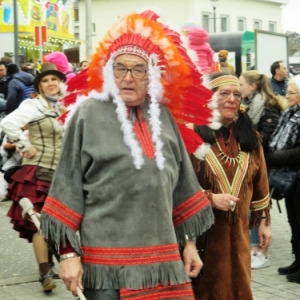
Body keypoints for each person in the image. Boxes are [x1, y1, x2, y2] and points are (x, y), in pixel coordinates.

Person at [40, 11, 238, 300]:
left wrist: (189, 244)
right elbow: (67, 186)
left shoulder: (163, 116)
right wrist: (68, 254)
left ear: (152, 76)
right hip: (106, 265)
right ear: (109, 72)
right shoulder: (88, 114)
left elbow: (181, 188)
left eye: (138, 69)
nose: (128, 77)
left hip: (163, 262)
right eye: (120, 68)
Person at [192, 72, 271, 300]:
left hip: (240, 235)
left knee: (239, 285)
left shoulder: (249, 138)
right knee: (207, 289)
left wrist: (264, 223)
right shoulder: (194, 136)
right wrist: (210, 198)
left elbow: (261, 184)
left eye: (237, 94)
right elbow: (179, 188)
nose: (232, 99)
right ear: (209, 98)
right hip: (204, 235)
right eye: (224, 93)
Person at [0, 63, 66, 292]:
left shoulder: (65, 106)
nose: (51, 84)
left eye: (54, 80)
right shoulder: (33, 106)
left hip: (61, 173)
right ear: (39, 84)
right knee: (38, 221)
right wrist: (25, 145)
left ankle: (53, 263)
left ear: (60, 83)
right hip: (36, 171)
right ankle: (45, 272)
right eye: (46, 80)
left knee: (56, 221)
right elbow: (8, 123)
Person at [239, 70, 287, 269]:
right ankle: (253, 247)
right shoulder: (248, 105)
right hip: (249, 163)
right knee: (250, 208)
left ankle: (259, 250)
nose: (239, 89)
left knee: (258, 207)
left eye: (241, 85)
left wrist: (244, 136)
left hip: (262, 164)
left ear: (253, 86)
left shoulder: (268, 109)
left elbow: (265, 139)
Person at [266, 75, 300, 284]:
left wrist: (272, 157)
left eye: (291, 92)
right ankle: (298, 259)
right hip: (289, 177)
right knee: (293, 222)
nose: (286, 95)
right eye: (287, 91)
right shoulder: (289, 114)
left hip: (296, 175)